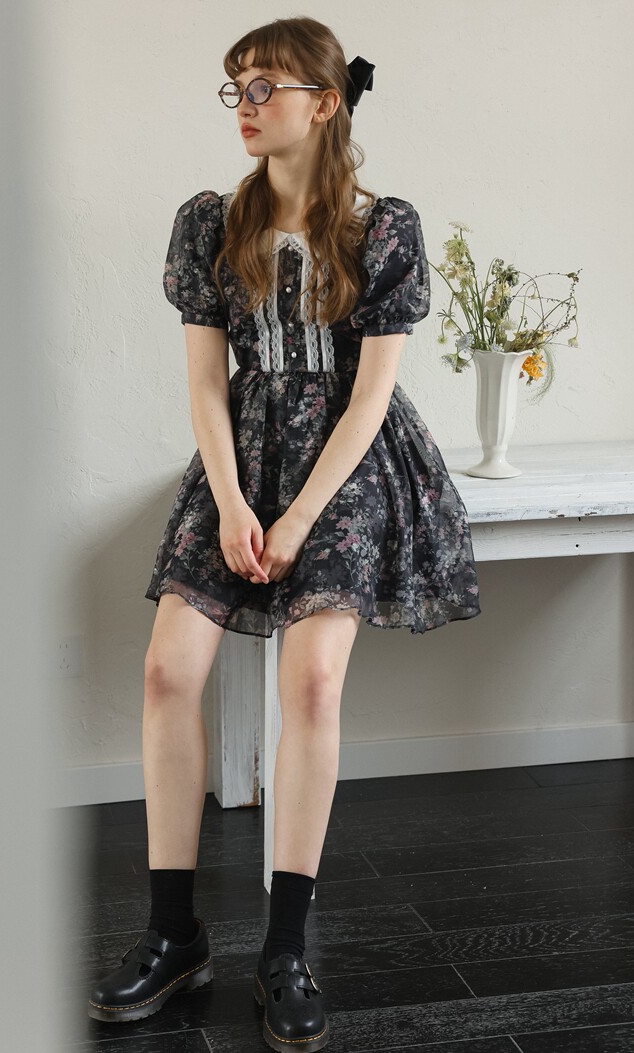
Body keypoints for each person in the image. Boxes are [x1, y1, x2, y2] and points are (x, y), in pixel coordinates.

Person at [88, 15, 481, 1051]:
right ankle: (174, 936)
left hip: (345, 467)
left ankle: (286, 950)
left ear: (326, 100)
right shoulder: (209, 223)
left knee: (310, 686)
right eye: (238, 87)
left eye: (266, 86)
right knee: (167, 671)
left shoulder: (384, 227)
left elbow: (372, 397)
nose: (246, 105)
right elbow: (206, 384)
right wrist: (230, 501)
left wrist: (301, 514)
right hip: (241, 461)